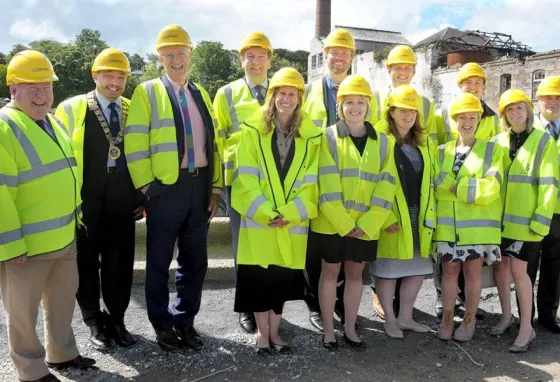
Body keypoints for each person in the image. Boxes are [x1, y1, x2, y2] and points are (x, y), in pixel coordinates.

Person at [124, 25, 223, 352]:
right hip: (166, 189)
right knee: (158, 261)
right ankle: (162, 326)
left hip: (199, 187)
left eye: (181, 53)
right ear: (160, 58)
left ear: (190, 55)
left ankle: (185, 321)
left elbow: (214, 145)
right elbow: (135, 144)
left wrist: (215, 189)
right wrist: (149, 188)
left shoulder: (201, 93)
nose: (176, 59)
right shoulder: (147, 91)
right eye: (169, 54)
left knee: (196, 261)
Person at [0, 50, 95, 382]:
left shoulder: (52, 121)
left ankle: (62, 355)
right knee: (22, 315)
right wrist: (11, 247)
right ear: (13, 88)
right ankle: (31, 370)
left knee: (61, 302)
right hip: (26, 246)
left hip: (63, 236)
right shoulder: (4, 127)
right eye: (32, 87)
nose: (42, 95)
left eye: (47, 87)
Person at [55, 48, 143, 351]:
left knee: (121, 263)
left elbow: (143, 152)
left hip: (123, 199)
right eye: (109, 75)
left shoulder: (134, 108)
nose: (115, 82)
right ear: (95, 75)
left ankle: (117, 319)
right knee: (86, 262)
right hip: (84, 199)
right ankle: (94, 321)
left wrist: (141, 195)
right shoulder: (71, 107)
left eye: (121, 77)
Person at [232, 67, 321, 355]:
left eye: (292, 94)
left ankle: (276, 333)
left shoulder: (311, 136)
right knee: (260, 279)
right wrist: (266, 213)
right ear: (272, 96)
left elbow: (312, 179)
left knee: (281, 280)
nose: (286, 98)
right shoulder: (252, 130)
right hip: (260, 220)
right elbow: (245, 175)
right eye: (281, 93)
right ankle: (261, 334)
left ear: (300, 98)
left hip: (290, 221)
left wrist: (290, 213)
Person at [310, 75, 396, 350]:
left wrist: (369, 222)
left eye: (360, 101)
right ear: (340, 106)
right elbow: (326, 182)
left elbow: (387, 183)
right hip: (332, 224)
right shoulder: (327, 137)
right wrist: (346, 223)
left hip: (365, 226)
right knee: (330, 273)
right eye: (349, 102)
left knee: (356, 275)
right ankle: (328, 330)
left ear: (369, 105)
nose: (355, 107)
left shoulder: (383, 142)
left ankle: (349, 327)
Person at [302, 28, 380, 330]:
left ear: (351, 57)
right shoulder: (310, 90)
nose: (338, 58)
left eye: (344, 53)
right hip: (314, 177)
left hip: (350, 184)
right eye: (333, 53)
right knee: (317, 253)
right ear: (325, 56)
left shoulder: (361, 91)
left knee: (346, 256)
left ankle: (340, 309)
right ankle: (315, 306)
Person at [213, 31, 273, 334]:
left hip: (275, 182)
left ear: (269, 60)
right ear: (242, 61)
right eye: (250, 56)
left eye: (261, 56)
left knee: (272, 244)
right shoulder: (226, 93)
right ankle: (247, 306)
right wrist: (219, 184)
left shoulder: (282, 90)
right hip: (240, 182)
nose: (256, 61)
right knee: (244, 247)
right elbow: (218, 138)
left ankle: (271, 305)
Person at [491, 89, 558, 352]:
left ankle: (526, 328)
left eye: (519, 108)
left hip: (527, 224)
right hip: (500, 223)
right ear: (504, 115)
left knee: (520, 274)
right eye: (510, 109)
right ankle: (507, 316)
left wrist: (541, 221)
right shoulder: (498, 141)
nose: (515, 113)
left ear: (528, 111)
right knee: (501, 269)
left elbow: (549, 183)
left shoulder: (543, 141)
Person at [433, 62, 501, 318]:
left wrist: (454, 185)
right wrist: (467, 186)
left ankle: (469, 320)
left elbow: (490, 188)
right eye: (462, 117)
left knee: (473, 274)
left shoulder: (493, 147)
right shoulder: (442, 150)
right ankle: (448, 318)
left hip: (477, 228)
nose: (467, 121)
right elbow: (436, 185)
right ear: (454, 119)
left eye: (473, 117)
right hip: (449, 226)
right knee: (449, 273)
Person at [371, 85, 436, 339]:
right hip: (391, 216)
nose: (408, 115)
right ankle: (389, 319)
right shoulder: (378, 137)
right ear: (391, 111)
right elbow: (372, 179)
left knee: (418, 267)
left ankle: (406, 317)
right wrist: (385, 216)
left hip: (419, 215)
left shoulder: (425, 141)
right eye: (402, 110)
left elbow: (432, 180)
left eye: (412, 110)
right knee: (388, 268)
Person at [530, 75, 560, 333]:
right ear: (538, 101)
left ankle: (548, 314)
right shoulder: (525, 128)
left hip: (559, 212)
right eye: (548, 97)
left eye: (558, 98)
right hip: (530, 208)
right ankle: (525, 316)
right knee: (526, 266)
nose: (552, 102)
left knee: (554, 264)